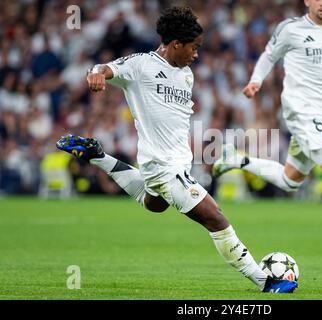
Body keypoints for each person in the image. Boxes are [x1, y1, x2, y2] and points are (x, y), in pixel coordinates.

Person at [56, 7, 297, 293]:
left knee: (154, 203)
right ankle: (265, 282)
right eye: (193, 48)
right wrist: (95, 74)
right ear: (175, 44)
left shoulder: (186, 76)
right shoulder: (141, 65)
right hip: (161, 165)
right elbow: (103, 68)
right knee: (215, 217)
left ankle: (98, 156)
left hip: (177, 162)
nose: (196, 54)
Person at [213, 0, 322, 269]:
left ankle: (235, 160)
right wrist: (256, 80)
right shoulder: (291, 28)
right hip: (300, 110)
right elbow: (268, 56)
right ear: (307, 1)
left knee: (290, 180)